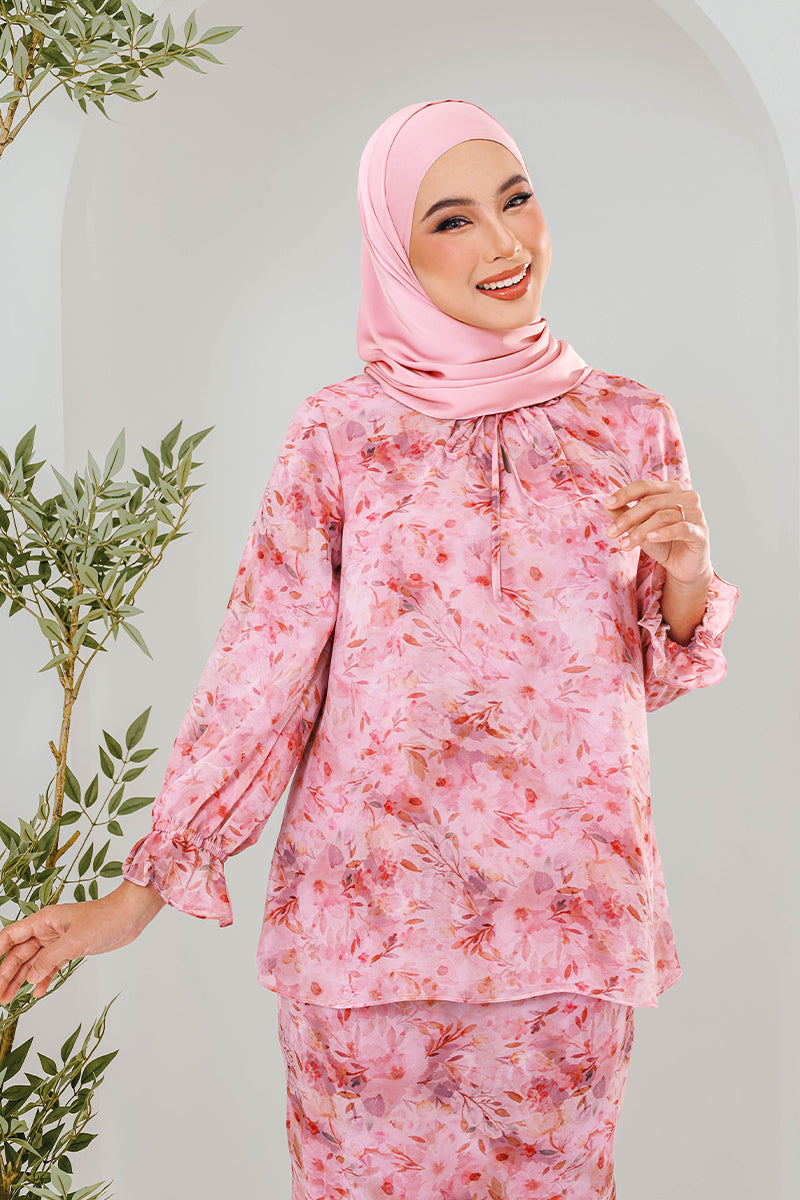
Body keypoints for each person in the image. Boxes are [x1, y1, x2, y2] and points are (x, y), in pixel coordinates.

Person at [0, 99, 740, 1199]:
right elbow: (264, 674)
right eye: (452, 219)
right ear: (393, 247)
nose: (503, 243)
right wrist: (141, 891)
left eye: (516, 200)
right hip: (369, 937)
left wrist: (686, 572)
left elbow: (646, 671)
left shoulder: (629, 422)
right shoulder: (339, 435)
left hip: (566, 927)